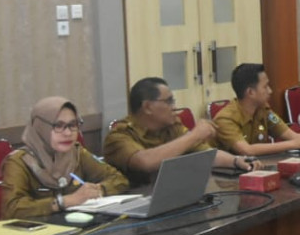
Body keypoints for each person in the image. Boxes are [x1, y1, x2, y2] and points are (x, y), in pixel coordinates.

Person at [103, 77, 259, 188]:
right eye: (169, 101)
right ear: (148, 107)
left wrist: (237, 161)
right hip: (131, 208)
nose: (174, 107)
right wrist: (194, 135)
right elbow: (146, 162)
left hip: (169, 195)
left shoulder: (171, 127)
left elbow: (205, 154)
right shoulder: (119, 136)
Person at [1, 96, 128, 218]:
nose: (68, 133)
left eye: (73, 125)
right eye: (58, 126)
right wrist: (65, 202)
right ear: (40, 127)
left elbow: (118, 179)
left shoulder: (77, 154)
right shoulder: (19, 161)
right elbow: (12, 209)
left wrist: (98, 190)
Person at [213, 63, 300, 156]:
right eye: (265, 87)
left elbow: (290, 135)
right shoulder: (225, 119)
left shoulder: (262, 109)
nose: (270, 91)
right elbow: (247, 150)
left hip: (256, 167)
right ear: (250, 92)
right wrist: (293, 144)